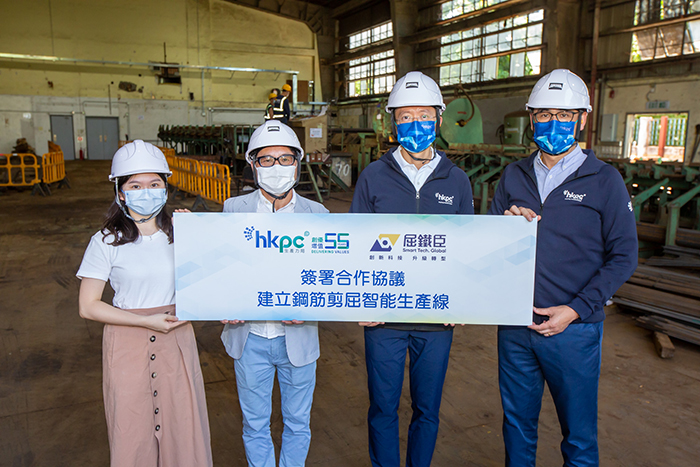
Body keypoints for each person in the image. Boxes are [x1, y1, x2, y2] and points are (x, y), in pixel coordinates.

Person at [488, 69, 638, 467]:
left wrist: (574, 309)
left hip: (574, 330)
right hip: (516, 328)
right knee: (517, 426)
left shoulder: (605, 181)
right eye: (543, 114)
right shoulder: (513, 175)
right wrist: (505, 223)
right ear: (530, 117)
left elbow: (624, 255)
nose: (553, 123)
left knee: (578, 435)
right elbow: (486, 246)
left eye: (565, 115)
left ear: (583, 119)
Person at [349, 71, 474, 467]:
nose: (414, 124)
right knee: (382, 409)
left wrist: (462, 301)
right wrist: (361, 300)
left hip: (436, 318)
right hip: (383, 319)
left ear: (438, 119)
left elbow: (466, 248)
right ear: (392, 123)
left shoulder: (457, 181)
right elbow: (356, 244)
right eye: (404, 116)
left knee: (427, 410)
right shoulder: (372, 177)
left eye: (423, 115)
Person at [76, 140, 212, 467]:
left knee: (184, 426)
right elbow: (88, 306)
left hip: (176, 340)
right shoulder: (106, 240)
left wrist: (196, 234)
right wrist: (143, 321)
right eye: (135, 185)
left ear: (166, 189)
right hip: (127, 344)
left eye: (154, 184)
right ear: (121, 192)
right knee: (132, 430)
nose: (146, 191)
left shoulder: (181, 233)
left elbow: (211, 284)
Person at [220, 120, 327, 467]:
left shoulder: (320, 215)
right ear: (252, 165)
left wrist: (311, 309)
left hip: (297, 337)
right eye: (266, 160)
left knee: (298, 423)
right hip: (249, 337)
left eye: (285, 159)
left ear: (298, 163)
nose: (276, 167)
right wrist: (221, 302)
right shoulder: (232, 209)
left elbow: (330, 282)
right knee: (255, 423)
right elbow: (221, 269)